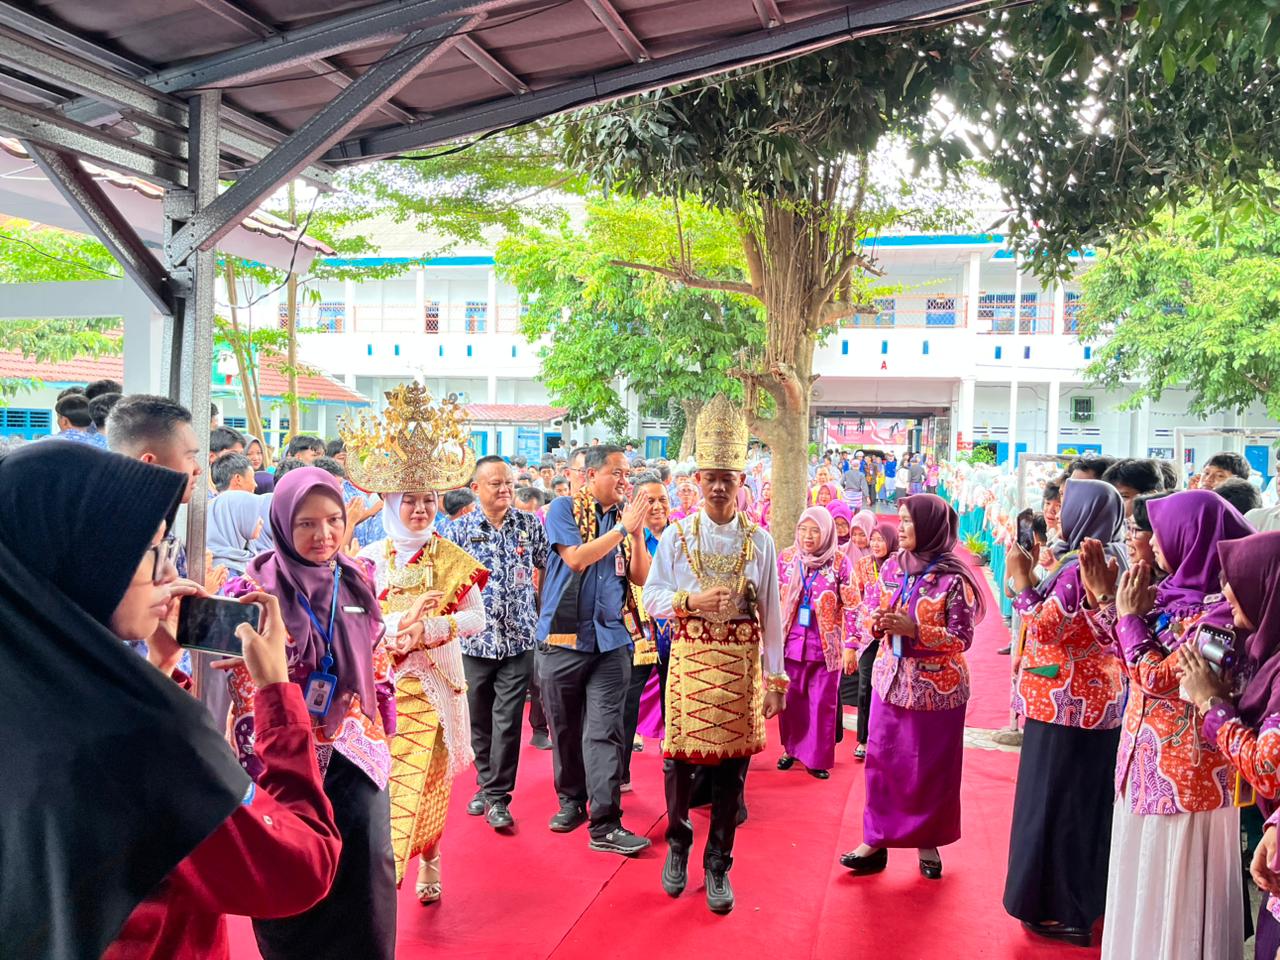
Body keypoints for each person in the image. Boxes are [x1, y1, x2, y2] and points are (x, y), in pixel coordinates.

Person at [0, 442, 339, 960]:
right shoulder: (148, 738)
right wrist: (276, 694)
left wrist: (156, 669)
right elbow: (300, 868)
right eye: (151, 549)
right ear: (84, 561)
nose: (167, 572)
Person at [222, 467, 398, 960]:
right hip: (281, 756)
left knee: (365, 876)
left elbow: (377, 661)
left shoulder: (359, 578)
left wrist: (382, 716)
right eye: (306, 523)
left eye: (334, 520)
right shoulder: (250, 590)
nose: (324, 535)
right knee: (290, 873)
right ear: (282, 522)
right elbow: (243, 680)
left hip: (355, 751)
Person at [1079, 490, 1254, 960]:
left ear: (1192, 537)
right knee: (1143, 887)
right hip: (1145, 764)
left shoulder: (1223, 616)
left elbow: (1158, 678)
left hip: (1188, 778)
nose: (1152, 542)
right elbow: (1121, 653)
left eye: (1161, 531)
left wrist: (1126, 615)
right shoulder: (1172, 594)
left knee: (1175, 897)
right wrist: (1105, 600)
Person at [642, 395, 787, 913]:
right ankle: (678, 844)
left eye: (728, 477)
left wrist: (776, 680)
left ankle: (719, 863)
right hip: (689, 666)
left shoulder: (761, 541)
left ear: (741, 481)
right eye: (711, 477)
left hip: (740, 670)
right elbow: (651, 597)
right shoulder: (676, 536)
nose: (719, 486)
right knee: (677, 762)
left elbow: (772, 613)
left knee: (733, 770)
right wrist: (691, 602)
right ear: (698, 481)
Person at [347, 388, 487, 903]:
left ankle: (426, 857)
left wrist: (428, 629)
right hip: (381, 686)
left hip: (435, 686)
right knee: (387, 782)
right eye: (409, 499)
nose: (420, 508)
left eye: (428, 499)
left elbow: (477, 618)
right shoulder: (367, 557)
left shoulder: (451, 558)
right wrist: (397, 626)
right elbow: (356, 621)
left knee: (428, 780)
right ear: (390, 502)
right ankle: (384, 872)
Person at [1002, 480, 1128, 948]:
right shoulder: (1107, 557)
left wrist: (1021, 580)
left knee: (1054, 810)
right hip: (1092, 702)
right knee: (1079, 809)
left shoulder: (1081, 568)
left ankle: (1062, 911)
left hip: (1066, 705)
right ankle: (1079, 905)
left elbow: (1045, 627)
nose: (1056, 512)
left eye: (1065, 505)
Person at [841, 494, 986, 880]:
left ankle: (928, 841)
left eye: (908, 521)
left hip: (937, 691)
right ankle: (875, 840)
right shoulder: (894, 566)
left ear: (930, 527)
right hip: (890, 682)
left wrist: (915, 631)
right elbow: (869, 609)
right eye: (901, 520)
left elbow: (962, 637)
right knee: (882, 762)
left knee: (930, 770)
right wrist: (877, 622)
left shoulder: (954, 579)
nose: (900, 527)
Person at [538, 444, 653, 856]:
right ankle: (571, 801)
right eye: (617, 473)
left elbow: (640, 577)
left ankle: (605, 823)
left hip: (612, 640)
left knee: (605, 731)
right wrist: (622, 529)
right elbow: (576, 559)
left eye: (627, 474)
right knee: (565, 728)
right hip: (563, 640)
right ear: (591, 476)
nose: (625, 480)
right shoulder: (564, 509)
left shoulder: (626, 519)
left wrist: (635, 534)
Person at [1178, 531, 1280, 959]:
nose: (1224, 592)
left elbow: (1269, 771)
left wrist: (1212, 706)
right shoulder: (1265, 653)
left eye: (1237, 578)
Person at [448, 455, 552, 823]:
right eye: (496, 483)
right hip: (474, 642)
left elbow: (547, 566)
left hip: (519, 639)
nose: (505, 489)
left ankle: (498, 797)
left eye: (508, 482)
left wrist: (544, 614)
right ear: (476, 488)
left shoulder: (528, 524)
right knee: (478, 719)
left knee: (507, 720)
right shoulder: (458, 532)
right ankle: (484, 784)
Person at [776, 507, 857, 779]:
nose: (808, 536)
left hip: (825, 647)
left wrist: (852, 645)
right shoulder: (787, 558)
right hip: (790, 643)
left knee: (821, 705)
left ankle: (817, 758)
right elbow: (774, 598)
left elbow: (853, 606)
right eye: (803, 530)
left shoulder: (840, 562)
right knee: (792, 701)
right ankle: (791, 749)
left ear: (826, 532)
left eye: (815, 531)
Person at [621, 474, 671, 789]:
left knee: (676, 700)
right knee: (626, 705)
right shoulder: (623, 539)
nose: (657, 506)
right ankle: (619, 773)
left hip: (677, 634)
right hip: (635, 635)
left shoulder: (682, 537)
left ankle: (680, 770)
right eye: (648, 500)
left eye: (662, 499)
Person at [848, 519, 899, 759]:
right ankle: (863, 739)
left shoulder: (900, 565)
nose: (876, 544)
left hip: (893, 632)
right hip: (868, 634)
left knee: (890, 686)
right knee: (865, 685)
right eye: (874, 540)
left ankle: (889, 737)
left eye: (881, 540)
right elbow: (855, 594)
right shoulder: (863, 564)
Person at [207, 490, 265, 576]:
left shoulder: (245, 555)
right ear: (236, 518)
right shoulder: (221, 572)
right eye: (254, 515)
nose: (261, 521)